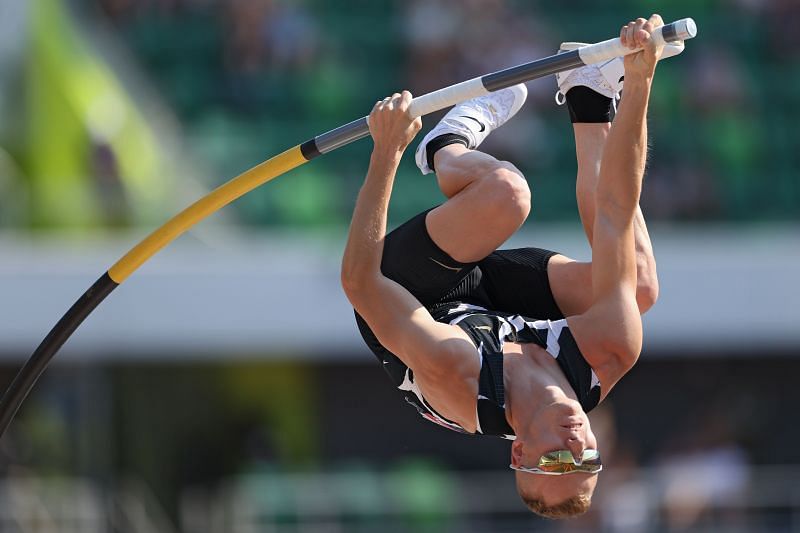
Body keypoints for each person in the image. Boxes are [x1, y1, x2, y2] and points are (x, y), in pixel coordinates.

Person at [341, 15, 668, 519]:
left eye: (556, 461)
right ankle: (590, 95)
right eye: (587, 459)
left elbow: (360, 283)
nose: (575, 443)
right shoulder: (608, 353)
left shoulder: (458, 376)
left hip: (412, 300)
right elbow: (615, 212)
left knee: (507, 195)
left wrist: (386, 152)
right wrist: (640, 79)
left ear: (519, 454)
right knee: (638, 288)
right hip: (499, 306)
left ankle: (444, 148)